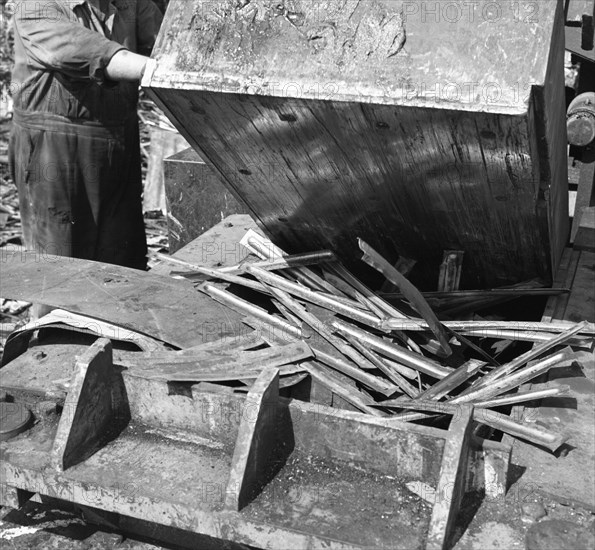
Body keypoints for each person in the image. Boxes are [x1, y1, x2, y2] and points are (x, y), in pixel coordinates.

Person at [9, 0, 163, 271]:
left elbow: (166, 44)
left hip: (118, 146)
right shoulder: (37, 6)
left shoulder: (132, 4)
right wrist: (162, 71)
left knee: (121, 268)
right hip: (54, 150)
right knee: (60, 268)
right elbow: (92, 53)